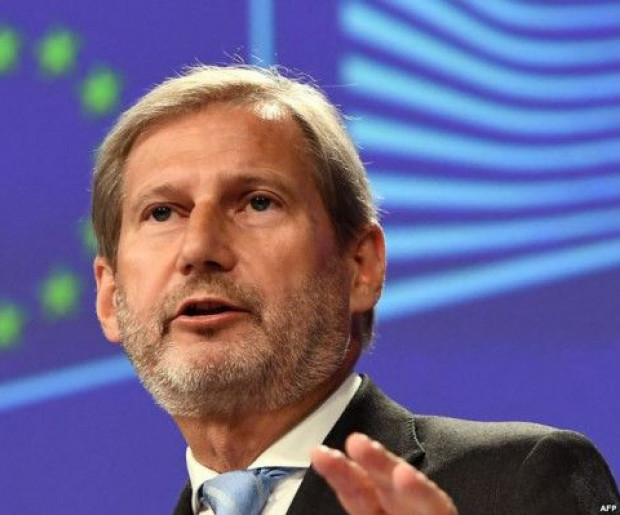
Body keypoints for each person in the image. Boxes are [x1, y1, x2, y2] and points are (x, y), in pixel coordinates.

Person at [90, 65, 619, 514]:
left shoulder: (522, 481)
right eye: (162, 213)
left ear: (361, 266)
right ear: (111, 297)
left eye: (257, 202)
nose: (199, 247)